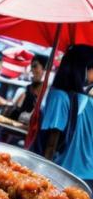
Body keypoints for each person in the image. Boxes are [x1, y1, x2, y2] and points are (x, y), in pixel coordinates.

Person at [37, 44, 93, 189]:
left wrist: (42, 178)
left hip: (65, 175)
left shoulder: (59, 96)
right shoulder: (85, 99)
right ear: (83, 68)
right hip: (86, 175)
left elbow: (52, 141)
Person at [10, 54, 48, 123]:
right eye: (31, 67)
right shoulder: (24, 90)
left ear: (45, 70)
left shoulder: (48, 96)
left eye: (35, 66)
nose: (31, 70)